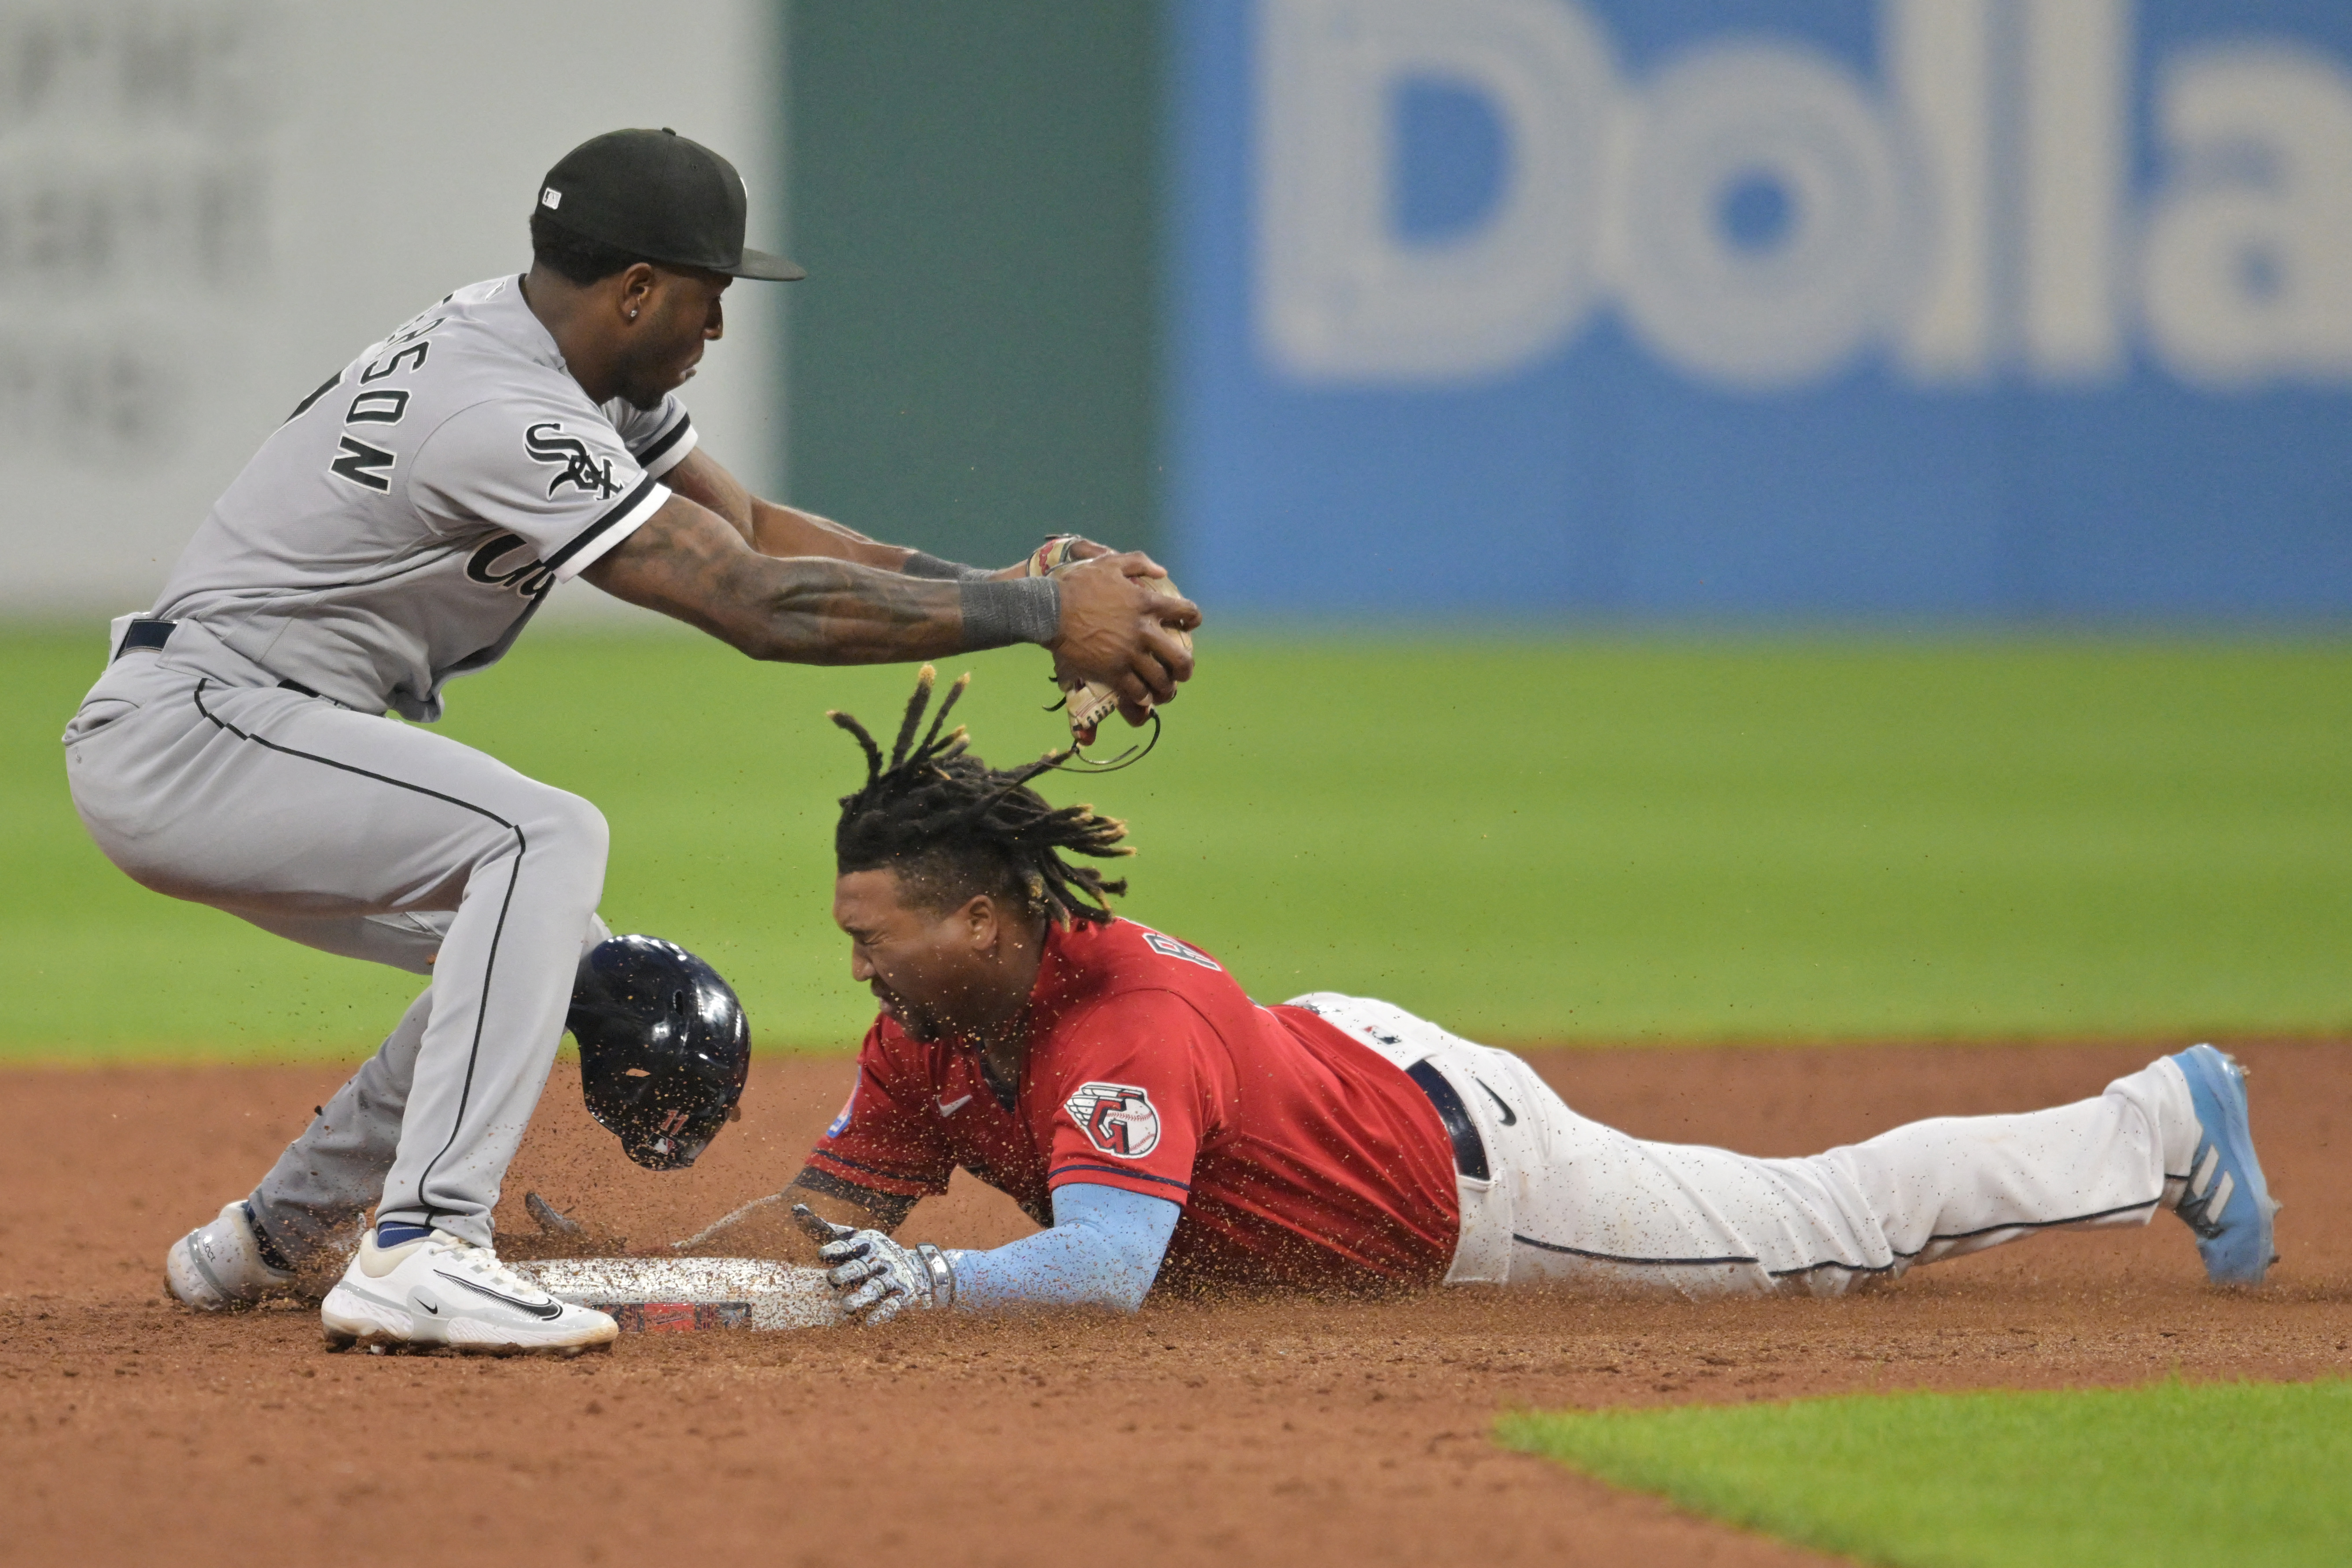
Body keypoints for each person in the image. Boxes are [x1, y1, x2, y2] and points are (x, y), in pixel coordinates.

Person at [66, 128, 1197, 1356]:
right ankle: (424, 1245)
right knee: (544, 835)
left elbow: (757, 531)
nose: (716, 330)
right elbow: (752, 605)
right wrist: (1037, 612)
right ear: (638, 289)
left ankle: (268, 1238)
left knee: (542, 942)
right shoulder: (499, 408)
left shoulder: (548, 359)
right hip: (201, 729)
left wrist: (1002, 591)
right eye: (709, 299)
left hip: (240, 724)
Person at [685, 668, 2277, 1325]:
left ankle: (2156, 1123)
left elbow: (1105, 1263)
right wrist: (611, 1266)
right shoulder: (936, 1024)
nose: (857, 967)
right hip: (1314, 1062)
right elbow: (831, 1209)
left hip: (1466, 1177)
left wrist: (945, 1287)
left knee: (1815, 1228)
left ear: (984, 916)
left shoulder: (1119, 1030)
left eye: (878, 933)